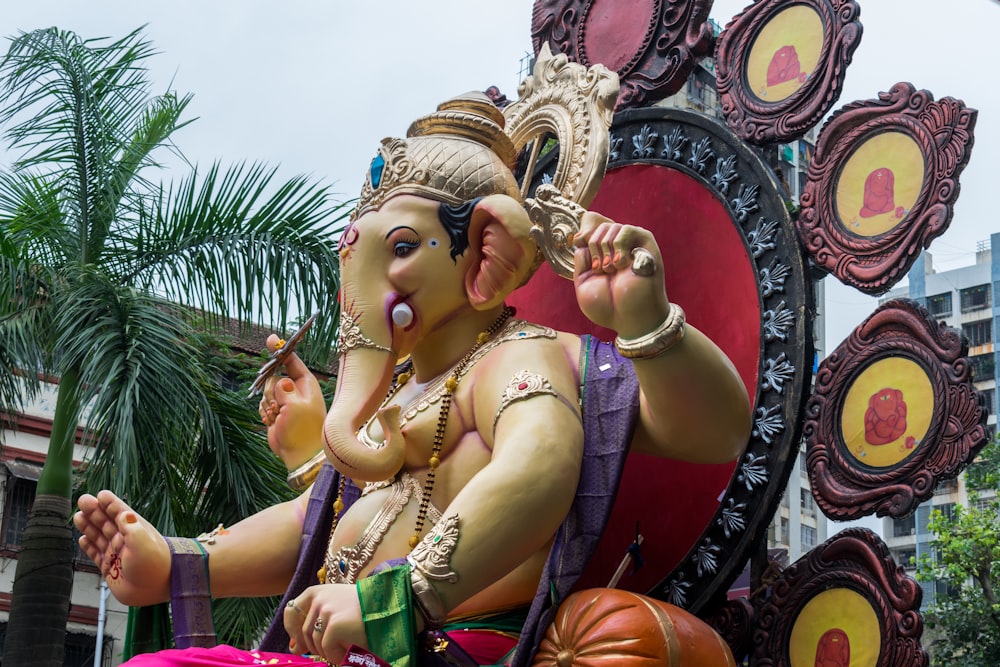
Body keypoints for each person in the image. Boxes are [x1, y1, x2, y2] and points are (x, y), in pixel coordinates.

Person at [74, 82, 750, 667]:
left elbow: (541, 467)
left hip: (445, 645)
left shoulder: (520, 358)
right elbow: (314, 522)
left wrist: (393, 599)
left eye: (404, 248)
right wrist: (181, 559)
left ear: (487, 250)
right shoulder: (397, 393)